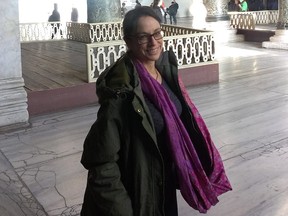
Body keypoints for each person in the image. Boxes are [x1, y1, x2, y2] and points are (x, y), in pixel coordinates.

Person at [80, 6, 232, 216]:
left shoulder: (165, 72)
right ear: (129, 41)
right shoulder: (121, 91)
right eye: (143, 37)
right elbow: (100, 161)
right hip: (137, 192)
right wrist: (122, 211)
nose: (153, 42)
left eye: (157, 33)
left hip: (162, 185)